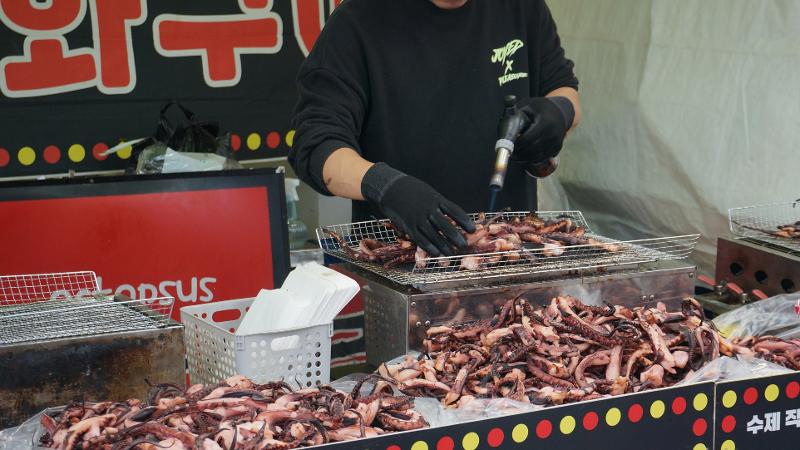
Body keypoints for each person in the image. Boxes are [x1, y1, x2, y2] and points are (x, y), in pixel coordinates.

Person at [289, 0, 581, 258]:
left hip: (508, 254)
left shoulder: (521, 7)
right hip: (404, 263)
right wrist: (386, 186)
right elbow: (316, 146)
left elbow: (564, 88)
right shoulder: (358, 22)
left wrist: (558, 112)